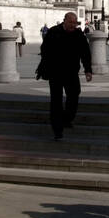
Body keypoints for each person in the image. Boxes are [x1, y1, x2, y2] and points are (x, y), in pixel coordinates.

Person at [36, 12, 92, 140]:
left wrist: (88, 70)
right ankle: (57, 130)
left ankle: (67, 118)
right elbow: (44, 50)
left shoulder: (79, 34)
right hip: (55, 72)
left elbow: (85, 53)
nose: (73, 25)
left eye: (75, 23)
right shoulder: (53, 32)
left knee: (74, 94)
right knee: (56, 101)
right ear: (64, 21)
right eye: (71, 22)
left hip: (71, 72)